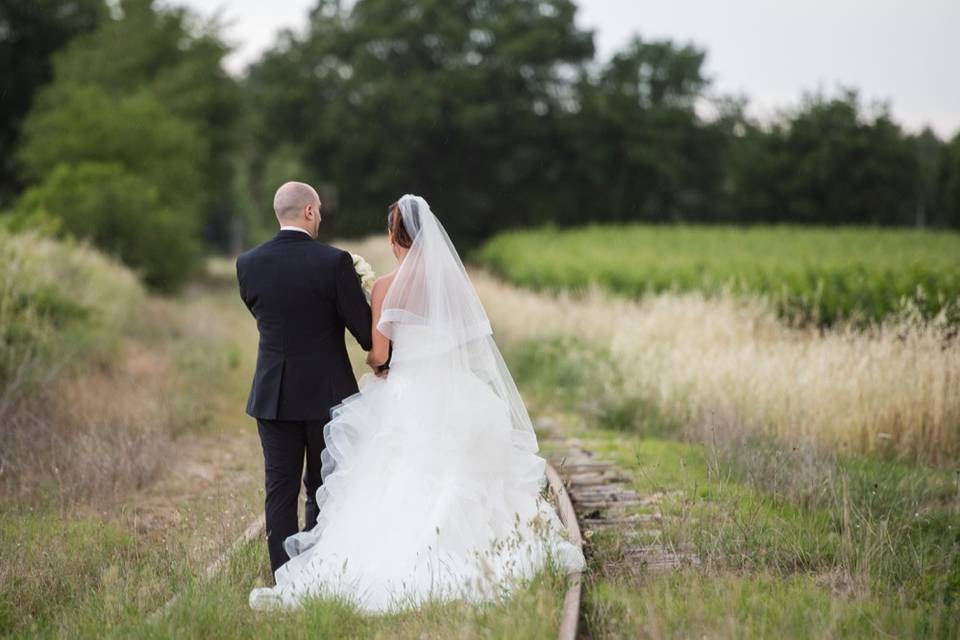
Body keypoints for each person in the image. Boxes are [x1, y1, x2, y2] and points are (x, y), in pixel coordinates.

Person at [248, 194, 584, 613]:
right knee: (463, 473)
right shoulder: (454, 286)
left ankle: (308, 568)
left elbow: (379, 355)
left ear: (394, 235)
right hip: (457, 393)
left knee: (379, 476)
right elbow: (468, 345)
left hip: (401, 394)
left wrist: (382, 365)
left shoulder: (386, 287)